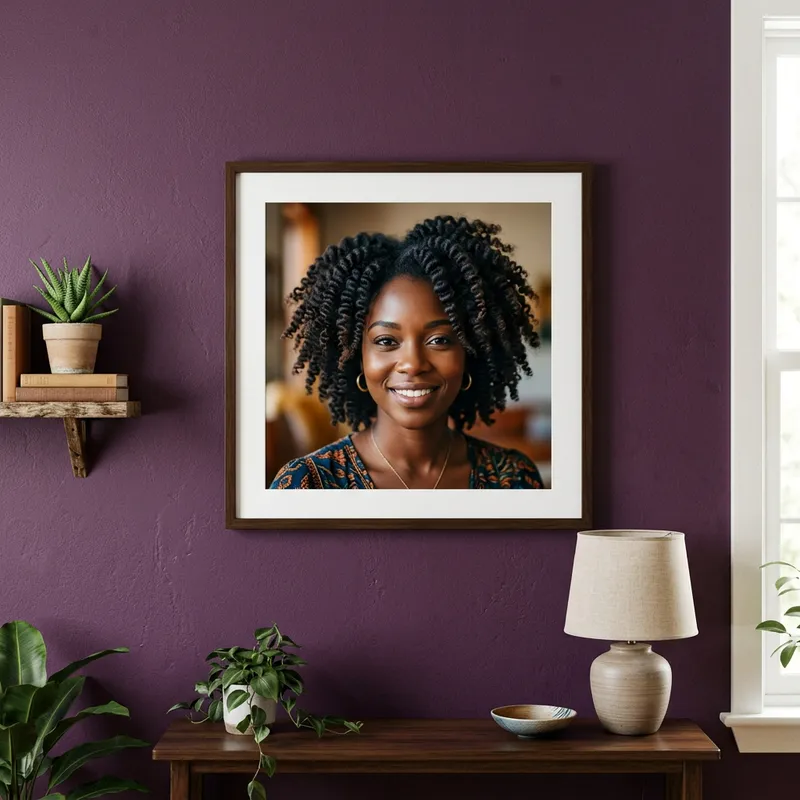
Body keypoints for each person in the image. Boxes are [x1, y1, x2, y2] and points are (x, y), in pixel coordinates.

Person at [270, 215, 544, 490]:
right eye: (387, 341)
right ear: (357, 357)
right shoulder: (306, 484)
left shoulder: (516, 479)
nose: (413, 364)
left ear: (470, 352)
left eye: (439, 340)